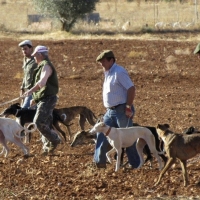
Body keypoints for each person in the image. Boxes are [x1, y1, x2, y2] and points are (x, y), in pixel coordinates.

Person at [94, 50, 140, 169]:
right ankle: (99, 162)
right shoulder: (108, 72)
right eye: (100, 62)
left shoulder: (119, 72)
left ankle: (135, 164)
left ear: (111, 60)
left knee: (127, 136)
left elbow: (131, 89)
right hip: (110, 111)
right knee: (101, 133)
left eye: (103, 61)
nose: (101, 64)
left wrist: (128, 107)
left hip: (122, 110)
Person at [21, 45, 60, 155]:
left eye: (35, 55)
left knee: (38, 122)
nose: (33, 57)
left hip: (48, 99)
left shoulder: (46, 66)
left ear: (40, 55)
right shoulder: (42, 65)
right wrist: (35, 98)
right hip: (43, 98)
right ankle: (48, 148)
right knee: (45, 123)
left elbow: (42, 83)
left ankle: (55, 139)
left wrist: (30, 92)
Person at [18, 40, 37, 109]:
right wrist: (22, 88)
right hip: (26, 90)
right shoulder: (25, 59)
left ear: (31, 48)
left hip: (33, 90)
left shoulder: (36, 60)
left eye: (25, 49)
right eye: (22, 49)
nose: (24, 51)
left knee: (24, 110)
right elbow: (25, 75)